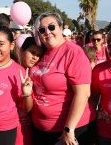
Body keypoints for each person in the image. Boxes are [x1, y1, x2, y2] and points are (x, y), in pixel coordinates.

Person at [30, 11, 96, 145]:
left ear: (61, 28)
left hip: (69, 130)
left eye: (52, 27)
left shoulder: (73, 52)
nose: (47, 32)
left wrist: (68, 129)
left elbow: (83, 94)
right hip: (40, 129)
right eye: (42, 30)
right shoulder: (41, 52)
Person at [15, 36, 44, 145]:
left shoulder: (37, 75)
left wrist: (27, 95)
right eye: (32, 52)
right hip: (9, 128)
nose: (35, 58)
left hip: (27, 128)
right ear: (21, 50)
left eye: (38, 55)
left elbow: (27, 108)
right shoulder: (10, 70)